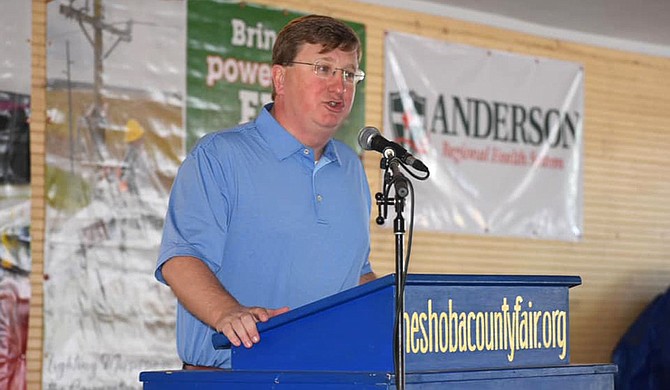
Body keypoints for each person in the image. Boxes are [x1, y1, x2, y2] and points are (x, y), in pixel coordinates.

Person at [155, 14, 376, 369]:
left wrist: (396, 311)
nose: (340, 86)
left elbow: (355, 273)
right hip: (229, 377)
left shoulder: (351, 168)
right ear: (280, 77)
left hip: (327, 377)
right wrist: (228, 313)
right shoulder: (220, 156)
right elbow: (181, 259)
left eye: (350, 74)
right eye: (324, 68)